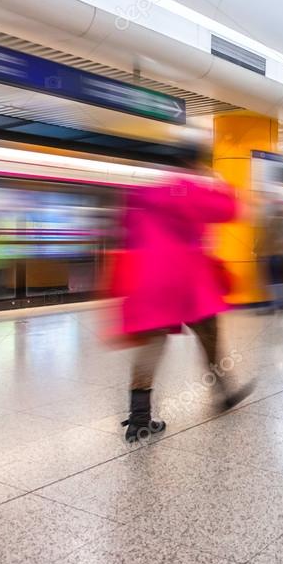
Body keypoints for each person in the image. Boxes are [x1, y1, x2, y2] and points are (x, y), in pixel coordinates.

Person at [115, 154, 246, 442]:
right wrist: (221, 183)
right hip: (186, 284)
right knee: (210, 336)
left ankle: (139, 419)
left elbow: (127, 231)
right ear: (193, 165)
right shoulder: (189, 190)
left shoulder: (147, 194)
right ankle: (224, 392)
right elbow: (230, 210)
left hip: (149, 282)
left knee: (150, 348)